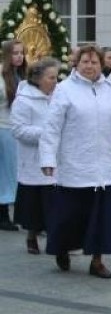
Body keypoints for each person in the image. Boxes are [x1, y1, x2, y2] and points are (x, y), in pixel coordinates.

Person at [40, 45, 111, 278]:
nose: (90, 66)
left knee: (102, 217)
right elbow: (52, 128)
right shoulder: (64, 90)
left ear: (101, 65)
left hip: (103, 168)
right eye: (85, 62)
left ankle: (97, 260)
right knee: (70, 216)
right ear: (76, 64)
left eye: (94, 62)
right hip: (75, 165)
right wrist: (48, 157)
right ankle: (62, 247)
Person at [10, 57, 59, 253]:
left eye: (56, 77)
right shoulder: (24, 100)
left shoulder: (58, 97)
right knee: (34, 204)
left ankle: (58, 241)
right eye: (51, 77)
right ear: (37, 79)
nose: (55, 82)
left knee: (56, 205)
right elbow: (19, 130)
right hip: (33, 160)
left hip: (56, 160)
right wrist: (46, 133)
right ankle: (32, 235)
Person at [0, 39, 27, 231]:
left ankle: (18, 214)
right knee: (5, 174)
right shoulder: (2, 75)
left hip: (18, 130)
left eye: (22, 52)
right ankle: (3, 216)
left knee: (17, 173)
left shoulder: (22, 76)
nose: (19, 56)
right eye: (15, 53)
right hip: (3, 128)